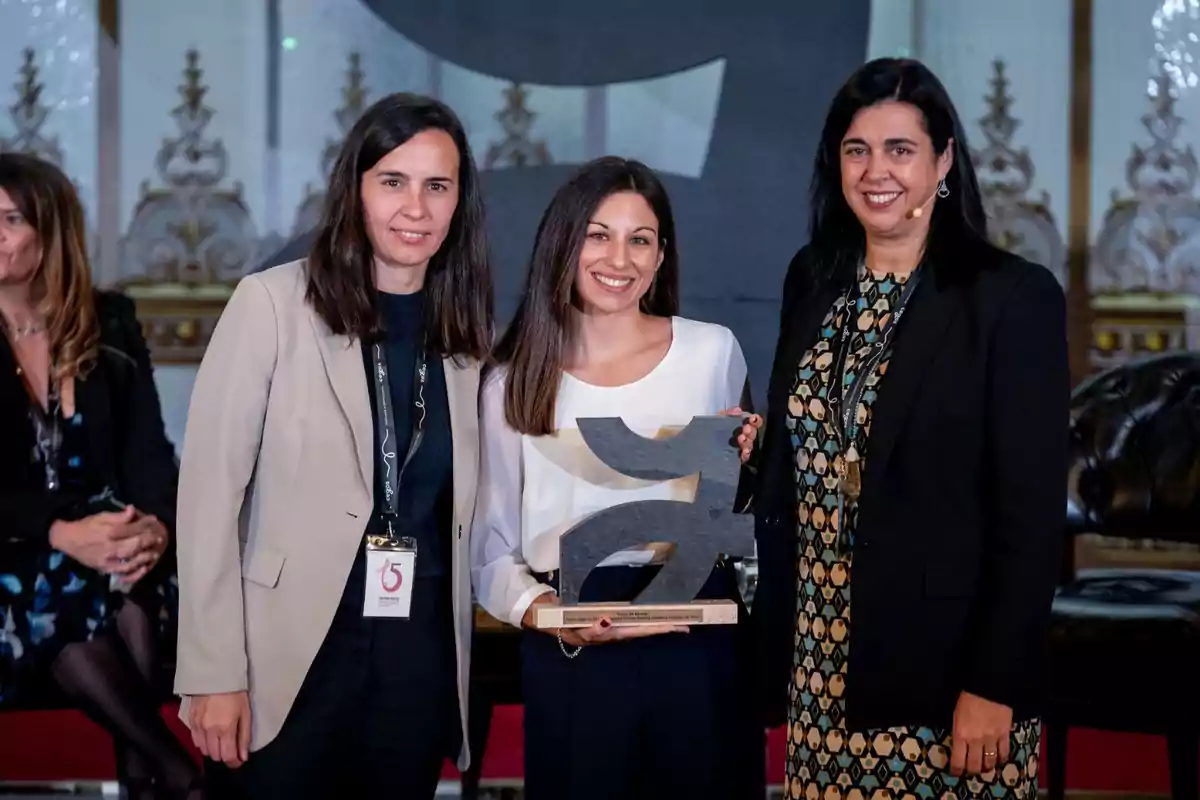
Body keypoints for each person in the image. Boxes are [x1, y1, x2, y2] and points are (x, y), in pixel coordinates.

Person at [751, 58, 1069, 794]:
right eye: (856, 149)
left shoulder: (1010, 298)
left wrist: (995, 683)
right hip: (821, 658)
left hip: (948, 674)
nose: (875, 171)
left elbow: (1030, 517)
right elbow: (815, 446)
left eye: (901, 150)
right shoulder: (813, 278)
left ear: (944, 160)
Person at [174, 93, 493, 798]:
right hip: (285, 656)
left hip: (416, 656)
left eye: (437, 186)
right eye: (393, 181)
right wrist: (211, 671)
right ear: (355, 190)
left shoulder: (468, 339)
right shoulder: (270, 306)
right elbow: (206, 498)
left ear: (458, 202)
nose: (416, 207)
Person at [471, 156, 763, 800]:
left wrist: (747, 458)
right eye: (598, 234)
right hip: (573, 646)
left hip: (696, 632)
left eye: (640, 239)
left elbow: (738, 504)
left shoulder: (712, 351)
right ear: (564, 243)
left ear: (662, 257)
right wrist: (546, 613)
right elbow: (489, 549)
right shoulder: (510, 380)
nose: (619, 258)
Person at [0, 153, 197, 799]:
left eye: (9, 220)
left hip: (107, 546)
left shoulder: (109, 320)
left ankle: (152, 779)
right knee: (70, 595)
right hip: (15, 552)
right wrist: (60, 533)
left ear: (50, 231)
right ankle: (177, 774)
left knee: (130, 590)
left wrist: (156, 531)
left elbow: (149, 454)